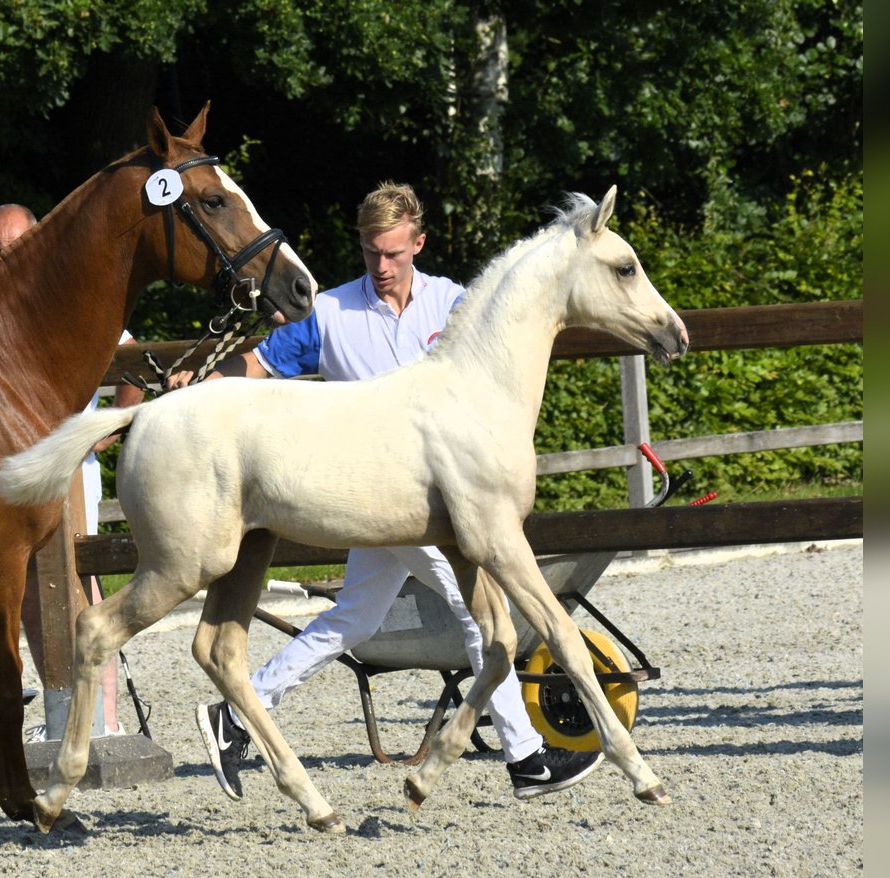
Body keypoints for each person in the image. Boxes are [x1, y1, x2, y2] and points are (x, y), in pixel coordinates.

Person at [178, 182, 602, 801]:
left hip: (434, 495)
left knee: (357, 617)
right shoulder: (329, 311)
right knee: (477, 612)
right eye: (371, 253)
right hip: (374, 494)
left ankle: (237, 714)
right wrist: (200, 390)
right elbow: (257, 369)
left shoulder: (456, 306)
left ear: (418, 244)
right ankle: (527, 756)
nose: (381, 267)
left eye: (394, 254)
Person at [0, 204, 144, 737]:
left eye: (21, 246)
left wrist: (106, 431)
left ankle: (107, 723)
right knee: (28, 592)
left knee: (84, 589)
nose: (12, 258)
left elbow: (133, 365)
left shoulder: (75, 301)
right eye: (1, 249)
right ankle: (60, 716)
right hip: (8, 470)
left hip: (72, 469)